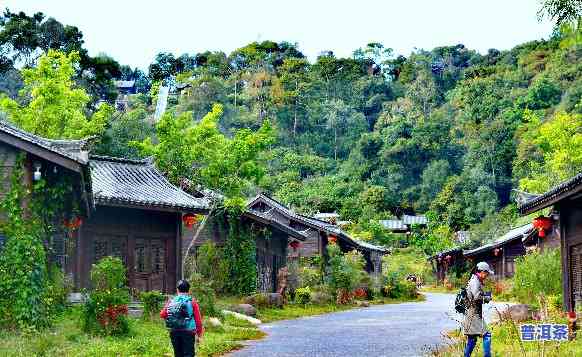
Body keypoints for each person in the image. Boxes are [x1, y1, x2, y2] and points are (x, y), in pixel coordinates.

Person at [160, 280, 204, 357]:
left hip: (174, 332)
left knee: (178, 354)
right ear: (189, 290)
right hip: (188, 332)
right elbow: (198, 321)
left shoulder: (171, 301)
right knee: (189, 354)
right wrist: (199, 334)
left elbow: (163, 314)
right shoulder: (192, 302)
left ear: (177, 290)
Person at [462, 261, 494, 357]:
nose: (487, 276)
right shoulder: (475, 281)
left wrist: (484, 294)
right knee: (487, 335)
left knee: (472, 339)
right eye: (487, 273)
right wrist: (487, 298)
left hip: (471, 314)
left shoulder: (475, 280)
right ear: (482, 272)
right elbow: (476, 297)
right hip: (474, 314)